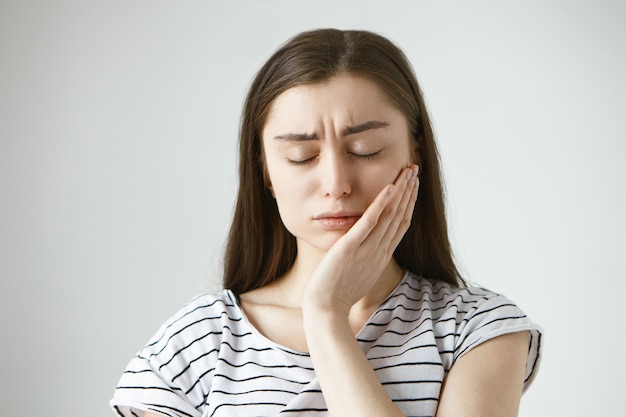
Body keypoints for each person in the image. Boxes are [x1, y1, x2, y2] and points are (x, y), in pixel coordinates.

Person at [110, 29, 542, 417]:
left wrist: (326, 317)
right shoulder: (197, 342)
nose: (336, 184)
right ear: (265, 172)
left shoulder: (479, 329)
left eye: (366, 149)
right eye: (302, 156)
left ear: (416, 155)